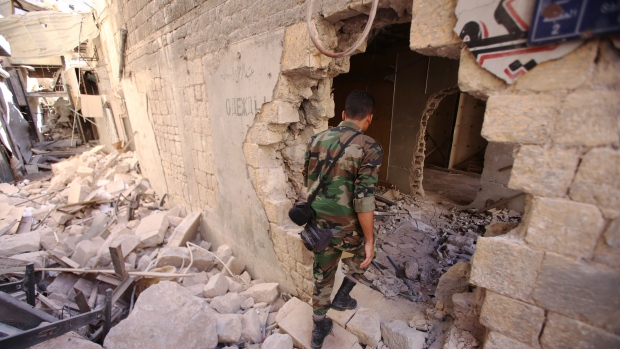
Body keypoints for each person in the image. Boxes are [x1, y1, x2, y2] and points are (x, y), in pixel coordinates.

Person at [303, 90, 383, 349]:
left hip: (319, 228)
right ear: (369, 119)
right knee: (367, 253)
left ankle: (318, 329)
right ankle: (343, 296)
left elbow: (308, 180)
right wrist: (369, 239)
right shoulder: (370, 147)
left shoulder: (316, 139)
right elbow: (364, 199)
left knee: (321, 275)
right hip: (349, 231)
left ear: (343, 114)